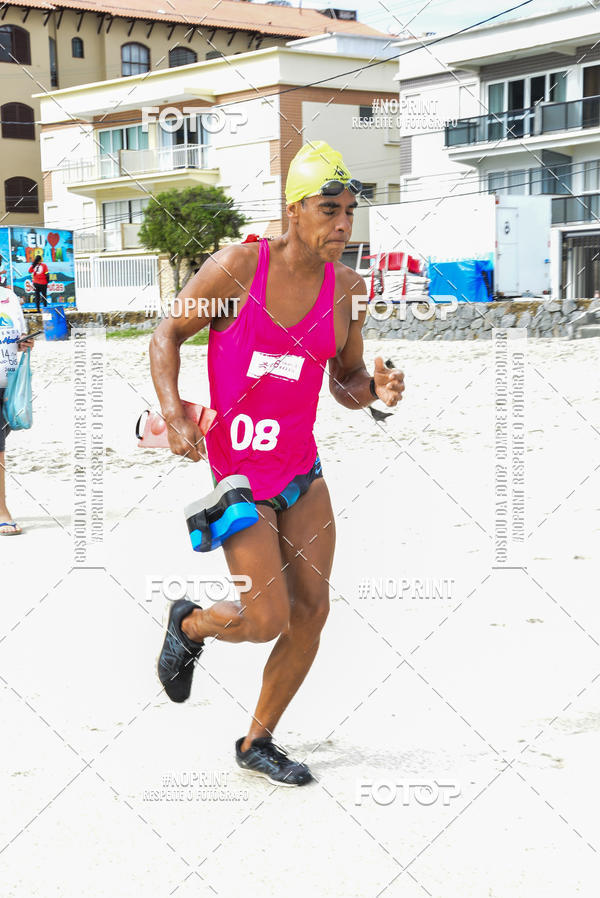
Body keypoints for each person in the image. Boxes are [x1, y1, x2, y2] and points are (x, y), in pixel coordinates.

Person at [150, 141, 405, 786]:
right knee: (265, 618)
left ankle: (256, 740)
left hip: (300, 470)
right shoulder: (240, 268)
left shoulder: (348, 289)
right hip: (237, 476)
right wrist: (175, 415)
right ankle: (190, 622)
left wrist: (373, 390)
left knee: (312, 612)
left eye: (350, 212)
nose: (343, 225)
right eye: (329, 210)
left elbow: (344, 382)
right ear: (295, 209)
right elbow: (167, 334)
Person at [0, 284, 34, 535]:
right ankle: (2, 511)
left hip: (8, 385)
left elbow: (18, 338)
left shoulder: (9, 298)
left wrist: (25, 343)